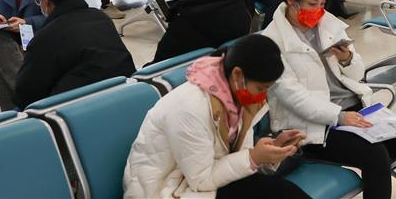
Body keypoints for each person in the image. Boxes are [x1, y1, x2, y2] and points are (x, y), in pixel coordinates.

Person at [263, 0, 396, 199]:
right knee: (375, 157)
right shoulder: (272, 42)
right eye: (312, 3)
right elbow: (293, 97)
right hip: (313, 126)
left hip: (354, 111)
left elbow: (357, 72)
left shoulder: (327, 24)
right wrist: (339, 116)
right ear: (291, 0)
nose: (318, 11)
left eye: (322, 3)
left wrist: (347, 59)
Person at [124, 35, 307, 199]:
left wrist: (271, 151)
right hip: (165, 189)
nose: (263, 96)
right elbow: (201, 181)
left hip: (197, 183)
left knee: (280, 192)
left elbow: (236, 160)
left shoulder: (237, 97)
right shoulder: (189, 107)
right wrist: (253, 157)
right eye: (261, 88)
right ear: (237, 75)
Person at [12, 0, 135, 109]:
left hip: (80, 111)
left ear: (45, 2)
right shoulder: (101, 18)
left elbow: (24, 95)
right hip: (127, 96)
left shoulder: (46, 37)